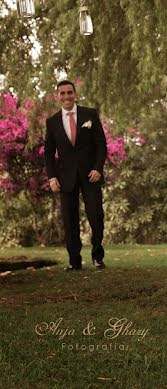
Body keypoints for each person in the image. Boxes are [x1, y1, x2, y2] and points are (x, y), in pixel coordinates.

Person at [44, 80, 107, 271]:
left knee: (95, 215)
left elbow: (101, 144)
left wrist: (98, 168)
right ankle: (74, 261)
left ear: (75, 94)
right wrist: (52, 177)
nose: (66, 96)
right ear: (58, 96)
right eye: (62, 93)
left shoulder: (90, 114)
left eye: (69, 92)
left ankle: (97, 256)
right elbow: (48, 152)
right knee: (69, 219)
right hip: (65, 178)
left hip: (90, 175)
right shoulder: (52, 122)